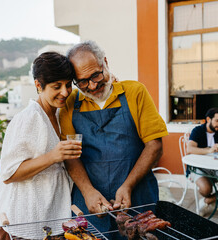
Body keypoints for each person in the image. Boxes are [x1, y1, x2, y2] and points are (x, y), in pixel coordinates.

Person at [59, 40, 168, 237]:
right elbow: (70, 155)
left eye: (95, 75)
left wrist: (128, 185)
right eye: (82, 81)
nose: (92, 86)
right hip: (89, 200)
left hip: (138, 196)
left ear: (105, 63)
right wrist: (87, 191)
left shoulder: (135, 92)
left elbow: (155, 145)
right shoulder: (69, 104)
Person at [0, 52, 82, 240]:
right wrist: (53, 156)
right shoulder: (28, 118)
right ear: (38, 85)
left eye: (68, 85)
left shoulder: (59, 113)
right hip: (28, 222)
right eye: (57, 87)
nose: (65, 92)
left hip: (53, 217)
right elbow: (8, 174)